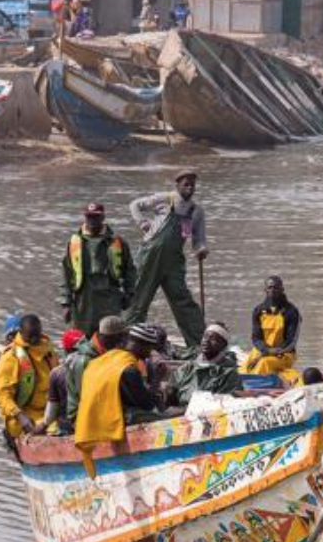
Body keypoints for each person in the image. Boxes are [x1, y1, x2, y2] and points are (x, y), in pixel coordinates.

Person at [125, 169, 208, 349]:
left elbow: (198, 239)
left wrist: (201, 249)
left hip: (174, 262)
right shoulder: (165, 199)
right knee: (138, 298)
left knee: (184, 301)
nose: (189, 187)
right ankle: (126, 342)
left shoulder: (196, 211)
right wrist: (143, 223)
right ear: (177, 185)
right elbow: (134, 205)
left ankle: (199, 345)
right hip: (150, 257)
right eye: (186, 183)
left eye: (192, 184)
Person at [74, 323, 164, 476]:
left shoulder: (100, 360)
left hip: (86, 424)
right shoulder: (128, 369)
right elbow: (147, 404)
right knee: (167, 417)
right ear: (140, 345)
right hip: (109, 422)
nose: (149, 354)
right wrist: (156, 381)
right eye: (149, 348)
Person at [61, 203, 137, 336]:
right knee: (81, 339)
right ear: (85, 217)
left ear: (103, 217)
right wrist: (66, 303)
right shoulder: (74, 242)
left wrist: (129, 294)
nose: (92, 220)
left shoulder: (117, 242)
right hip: (83, 299)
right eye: (89, 216)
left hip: (110, 298)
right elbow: (67, 274)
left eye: (96, 217)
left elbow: (130, 270)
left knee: (110, 337)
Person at [0, 314, 59, 447]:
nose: (34, 340)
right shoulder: (10, 358)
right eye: (30, 336)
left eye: (37, 335)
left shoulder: (48, 350)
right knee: (54, 433)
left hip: (52, 408)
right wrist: (21, 417)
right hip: (26, 414)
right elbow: (2, 395)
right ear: (21, 333)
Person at [66, 315, 127, 423]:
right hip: (82, 415)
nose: (124, 342)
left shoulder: (104, 353)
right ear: (111, 338)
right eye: (122, 337)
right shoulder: (85, 361)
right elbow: (87, 399)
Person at [169, 323, 243, 407]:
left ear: (223, 345)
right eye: (205, 336)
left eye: (213, 339)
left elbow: (225, 404)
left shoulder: (228, 373)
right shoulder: (187, 368)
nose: (206, 340)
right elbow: (171, 395)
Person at [242, 276, 300, 377]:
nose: (272, 290)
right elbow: (256, 338)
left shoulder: (291, 311)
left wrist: (274, 351)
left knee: (264, 363)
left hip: (284, 354)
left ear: (282, 289)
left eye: (276, 287)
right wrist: (265, 350)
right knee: (245, 367)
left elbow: (291, 341)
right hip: (263, 350)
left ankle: (253, 386)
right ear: (265, 290)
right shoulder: (258, 311)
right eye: (270, 287)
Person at [37, 328, 86, 435]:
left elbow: (52, 411)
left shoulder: (57, 374)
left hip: (68, 427)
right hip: (91, 424)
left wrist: (43, 425)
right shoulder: (94, 365)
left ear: (65, 350)